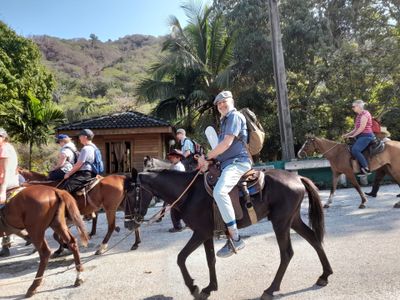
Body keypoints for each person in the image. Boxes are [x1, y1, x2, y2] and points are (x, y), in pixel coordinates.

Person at [198, 91, 252, 258]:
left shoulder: (234, 117)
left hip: (238, 162)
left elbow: (227, 144)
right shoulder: (224, 121)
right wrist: (208, 162)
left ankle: (236, 238)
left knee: (219, 192)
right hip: (227, 163)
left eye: (224, 101)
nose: (221, 105)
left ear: (232, 101)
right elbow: (221, 151)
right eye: (218, 103)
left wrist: (207, 157)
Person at [0, 128, 20, 257]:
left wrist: (2, 190)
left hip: (6, 183)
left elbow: (6, 171)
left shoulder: (4, 149)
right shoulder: (8, 147)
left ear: (4, 137)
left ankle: (6, 242)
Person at [60, 129, 98, 194]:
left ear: (85, 137)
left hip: (84, 174)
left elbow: (79, 164)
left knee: (64, 192)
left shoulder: (85, 148)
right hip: (92, 173)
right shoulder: (94, 147)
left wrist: (68, 174)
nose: (79, 138)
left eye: (80, 136)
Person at [342, 100, 375, 175]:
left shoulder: (365, 114)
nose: (352, 108)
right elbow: (356, 128)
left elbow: (361, 128)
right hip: (360, 136)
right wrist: (347, 134)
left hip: (366, 136)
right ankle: (359, 169)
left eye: (354, 106)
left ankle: (366, 168)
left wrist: (353, 135)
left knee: (355, 150)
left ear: (359, 106)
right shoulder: (358, 116)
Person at [166, 149, 185, 232]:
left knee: (174, 209)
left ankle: (177, 226)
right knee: (177, 209)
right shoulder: (174, 166)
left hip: (178, 191)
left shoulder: (179, 167)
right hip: (175, 190)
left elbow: (178, 181)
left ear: (178, 158)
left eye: (172, 157)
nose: (171, 159)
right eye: (170, 157)